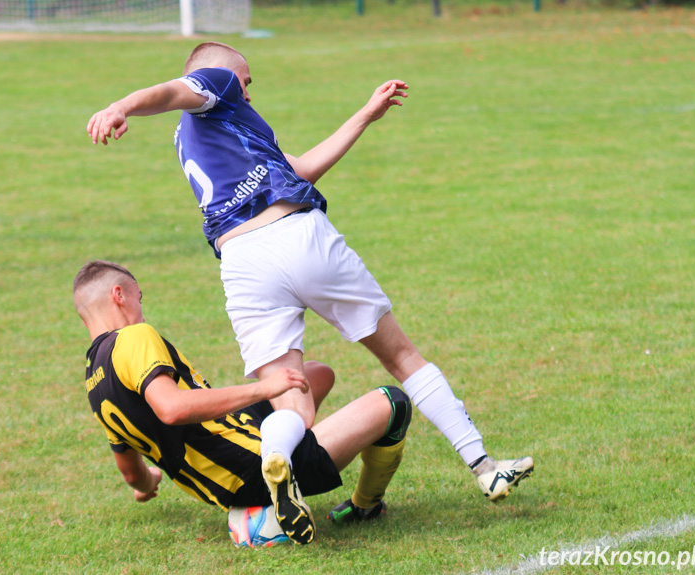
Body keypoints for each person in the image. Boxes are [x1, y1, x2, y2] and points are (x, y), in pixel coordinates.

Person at [86, 41, 533, 544]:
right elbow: (171, 90)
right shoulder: (218, 84)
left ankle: (276, 461)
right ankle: (483, 465)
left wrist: (364, 115)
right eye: (247, 81)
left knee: (289, 391)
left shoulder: (203, 135)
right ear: (219, 76)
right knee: (403, 357)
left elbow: (298, 171)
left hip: (242, 263)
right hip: (297, 235)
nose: (248, 92)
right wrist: (120, 106)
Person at [73, 260, 414, 544]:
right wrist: (261, 390)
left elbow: (130, 472)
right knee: (395, 403)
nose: (141, 309)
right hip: (247, 461)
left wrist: (148, 485)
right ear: (119, 295)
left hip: (225, 482)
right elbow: (172, 408)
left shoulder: (94, 380)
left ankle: (277, 466)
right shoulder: (132, 337)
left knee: (314, 376)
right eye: (139, 298)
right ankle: (363, 506)